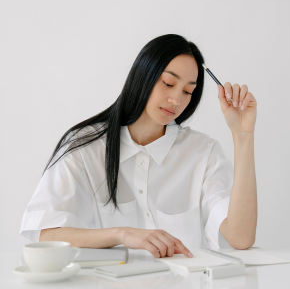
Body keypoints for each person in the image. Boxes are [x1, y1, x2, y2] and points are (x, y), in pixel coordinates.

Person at [19, 34, 257, 259]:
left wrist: (242, 135)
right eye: (168, 83)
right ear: (143, 75)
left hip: (188, 288)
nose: (176, 100)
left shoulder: (202, 152)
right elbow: (45, 235)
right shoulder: (86, 148)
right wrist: (122, 234)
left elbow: (241, 237)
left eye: (187, 91)